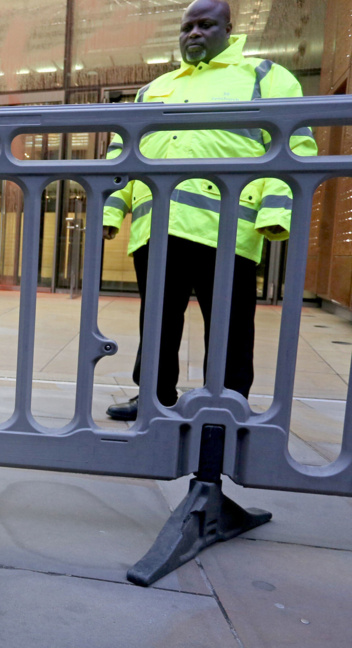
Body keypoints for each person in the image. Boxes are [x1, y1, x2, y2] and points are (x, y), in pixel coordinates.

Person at [103, 0, 317, 421]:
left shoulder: (264, 77)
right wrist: (113, 212)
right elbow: (122, 154)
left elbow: (294, 146)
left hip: (227, 228)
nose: (194, 34)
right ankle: (153, 396)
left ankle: (226, 401)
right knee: (158, 320)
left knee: (230, 324)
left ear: (230, 29)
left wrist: (274, 212)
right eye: (187, 27)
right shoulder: (154, 88)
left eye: (205, 25)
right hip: (158, 226)